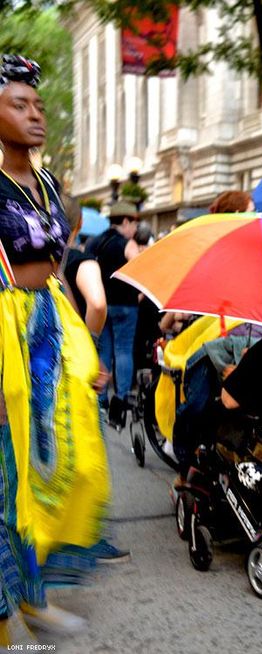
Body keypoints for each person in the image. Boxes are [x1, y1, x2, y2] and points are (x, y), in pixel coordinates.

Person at [0, 54, 109, 639]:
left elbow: (56, 275)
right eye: (19, 105)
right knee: (1, 482)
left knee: (41, 475)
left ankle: (33, 599)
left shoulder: (45, 182)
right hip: (3, 336)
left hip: (44, 326)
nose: (36, 114)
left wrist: (80, 354)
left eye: (38, 104)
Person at [86, 201, 140, 421]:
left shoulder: (94, 242)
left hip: (103, 304)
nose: (135, 228)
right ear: (125, 221)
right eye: (134, 223)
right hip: (126, 305)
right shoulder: (128, 244)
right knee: (124, 350)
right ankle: (121, 398)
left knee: (105, 351)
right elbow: (139, 270)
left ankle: (100, 401)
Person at [61, 197, 107, 337]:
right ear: (80, 223)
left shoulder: (32, 259)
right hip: (71, 345)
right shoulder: (84, 262)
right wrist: (90, 341)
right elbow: (97, 305)